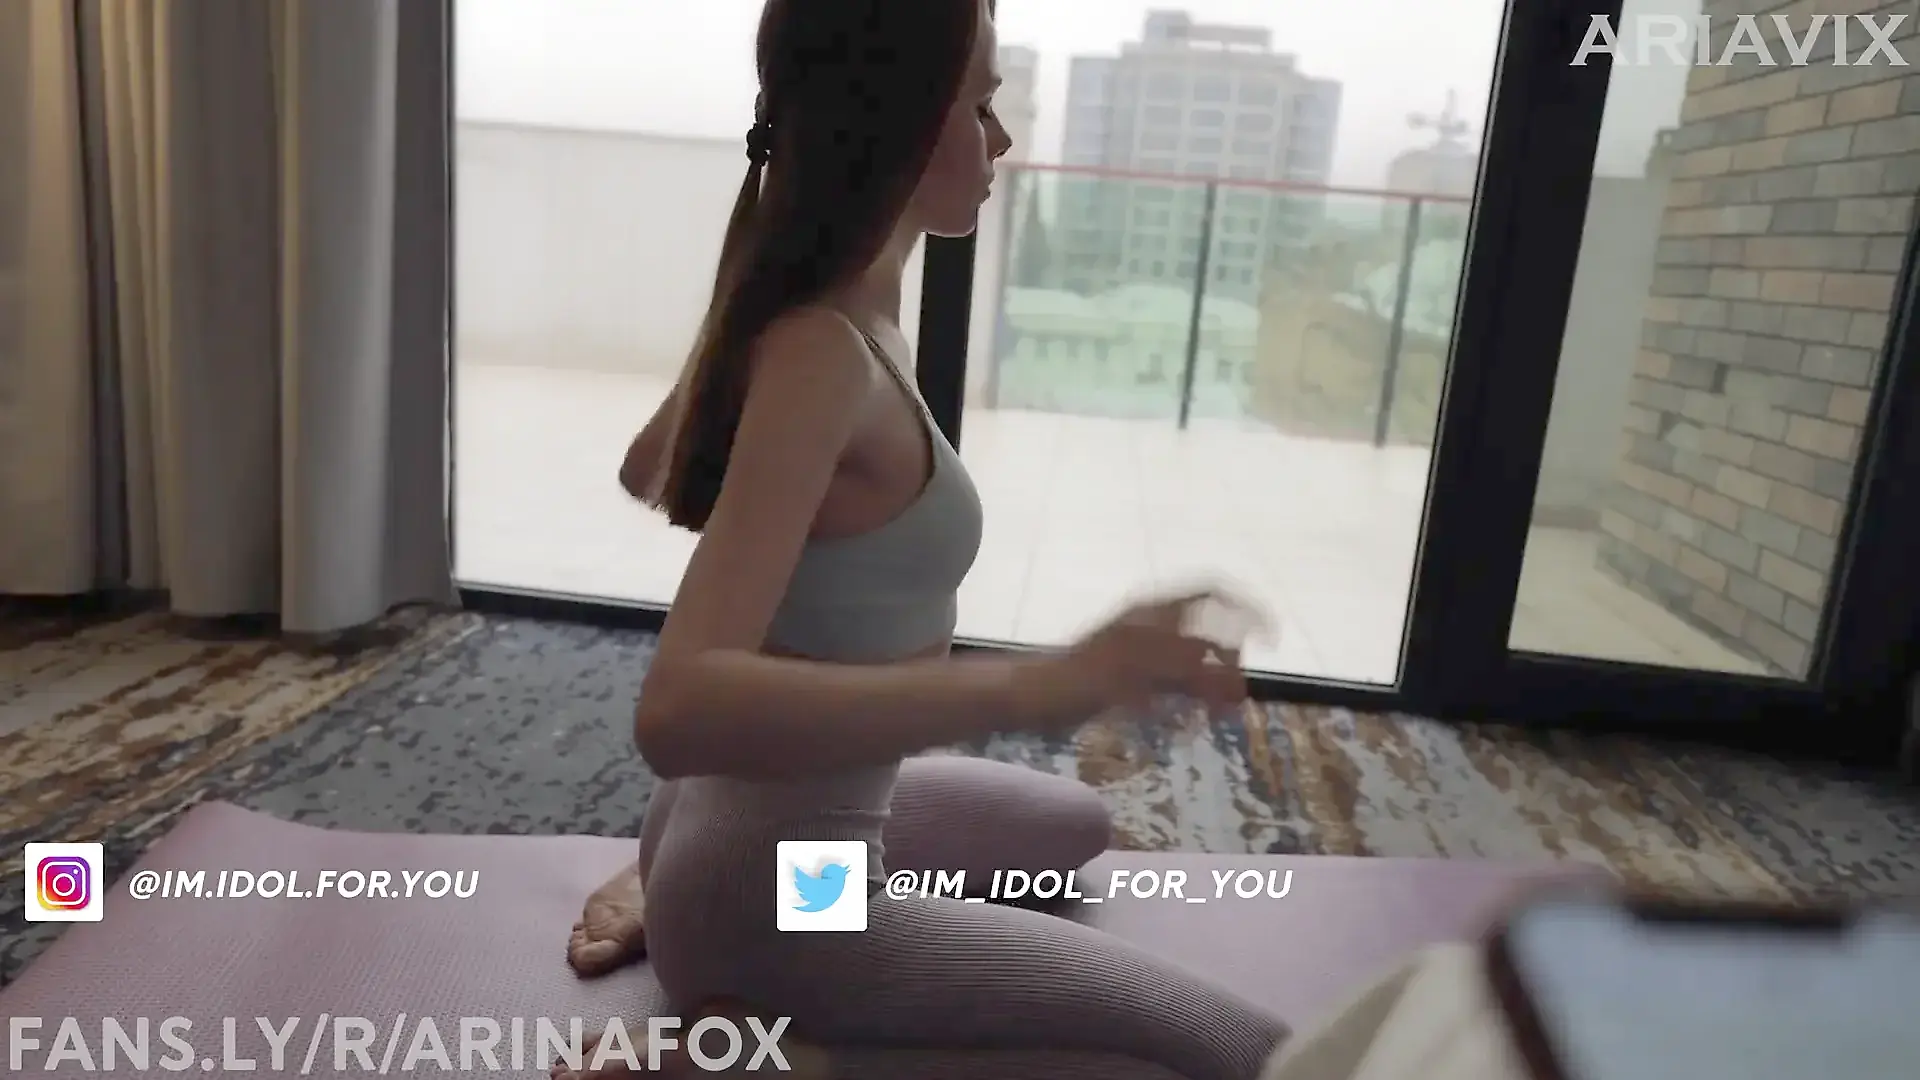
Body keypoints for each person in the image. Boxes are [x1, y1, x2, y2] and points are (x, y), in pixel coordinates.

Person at [554, 1, 1291, 1076]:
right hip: (788, 898)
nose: (1002, 139)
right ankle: (757, 1045)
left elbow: (649, 467)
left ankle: (678, 895)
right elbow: (676, 712)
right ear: (896, 119)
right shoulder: (822, 354)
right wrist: (1041, 686)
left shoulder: (835, 317)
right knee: (1243, 1051)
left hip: (743, 825)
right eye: (982, 105)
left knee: (1067, 829)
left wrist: (758, 278)